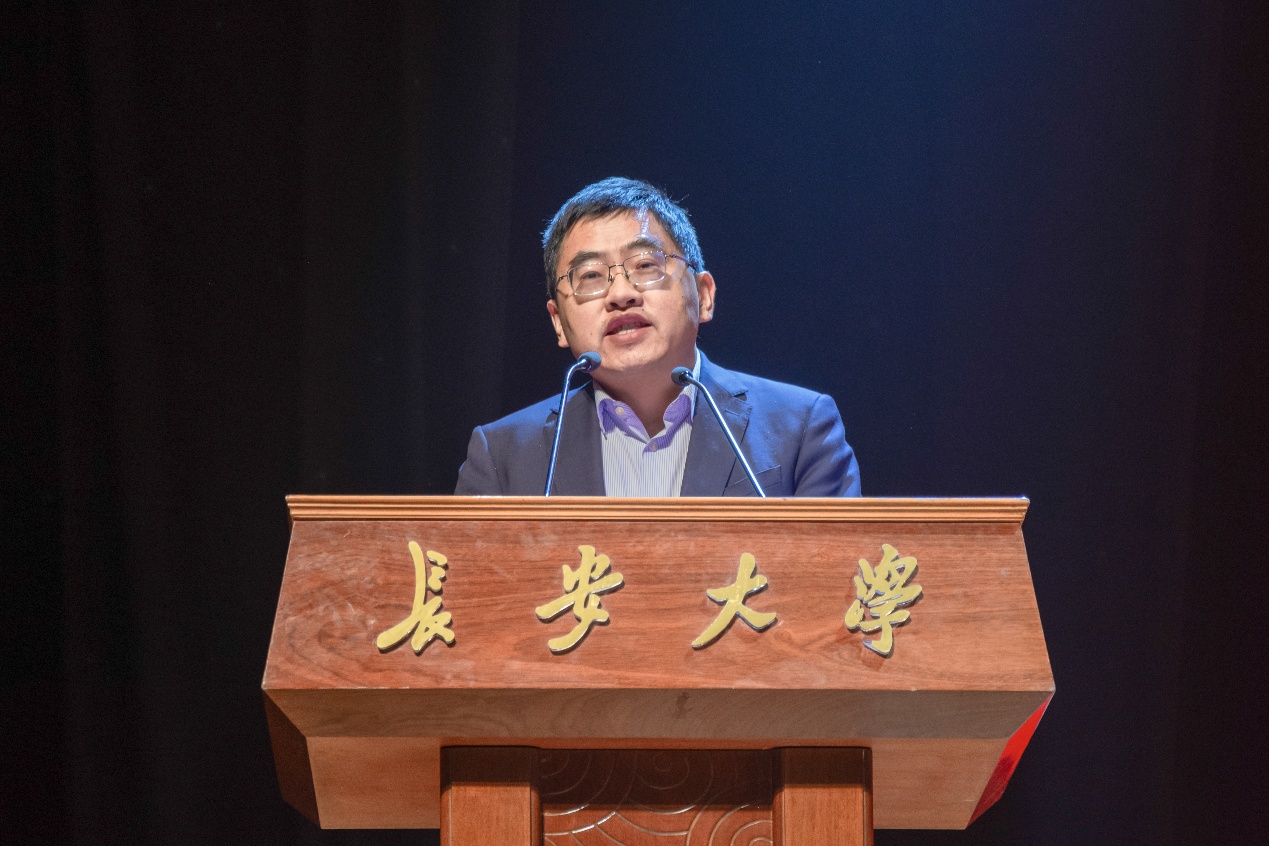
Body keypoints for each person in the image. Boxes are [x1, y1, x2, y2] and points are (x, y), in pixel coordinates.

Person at [455, 177, 861, 497]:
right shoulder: (502, 457)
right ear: (558, 322)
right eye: (590, 276)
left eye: (646, 265)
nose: (621, 294)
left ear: (703, 295)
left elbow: (833, 573)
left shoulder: (799, 430)